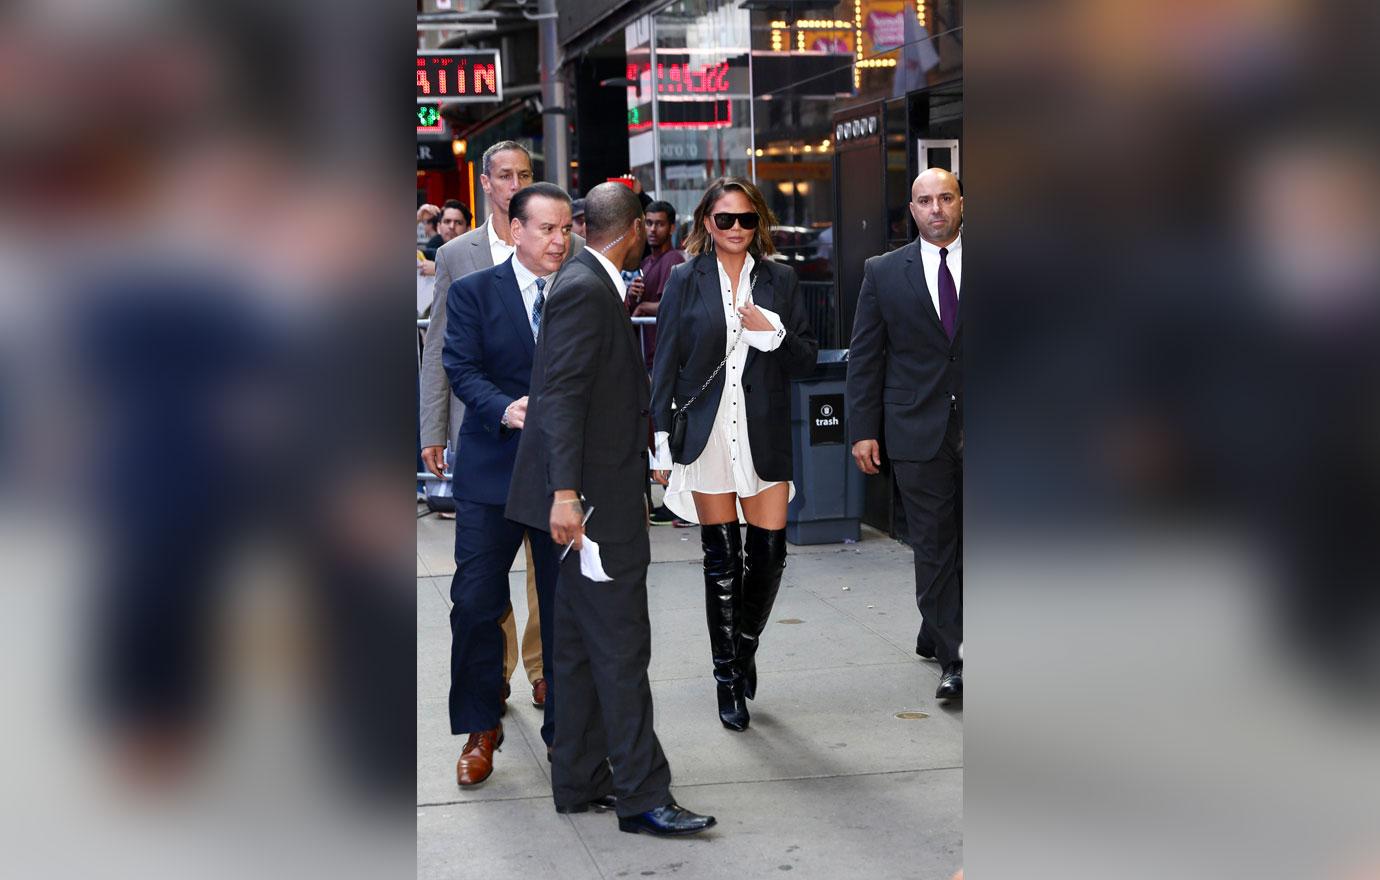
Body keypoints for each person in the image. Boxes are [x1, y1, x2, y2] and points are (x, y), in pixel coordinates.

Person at [506, 182, 716, 837]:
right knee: (622, 648)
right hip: (594, 507)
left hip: (586, 499)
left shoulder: (582, 284)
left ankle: (578, 778)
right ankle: (642, 794)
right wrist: (566, 493)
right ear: (631, 234)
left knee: (574, 647)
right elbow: (562, 397)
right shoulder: (583, 290)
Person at [420, 142, 586, 744]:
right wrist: (501, 408)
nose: (559, 240)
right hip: (491, 469)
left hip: (561, 475)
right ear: (515, 229)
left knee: (567, 609)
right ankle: (479, 726)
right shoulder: (474, 289)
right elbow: (458, 366)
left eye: (567, 230)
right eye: (547, 229)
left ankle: (568, 735)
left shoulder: (583, 288)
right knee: (474, 602)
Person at [649, 177, 818, 731]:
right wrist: (659, 442)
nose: (738, 229)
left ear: (759, 222)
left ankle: (743, 648)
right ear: (706, 223)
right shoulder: (682, 278)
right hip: (706, 431)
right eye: (726, 219)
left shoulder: (782, 279)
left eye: (747, 219)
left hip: (762, 431)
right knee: (721, 559)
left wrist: (774, 334)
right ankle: (727, 679)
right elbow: (666, 362)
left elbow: (807, 362)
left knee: (768, 555)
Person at [845, 167, 964, 702]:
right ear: (911, 211)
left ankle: (936, 625)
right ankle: (956, 655)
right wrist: (863, 430)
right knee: (935, 543)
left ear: (962, 202)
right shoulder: (884, 272)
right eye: (924, 200)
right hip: (916, 427)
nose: (935, 208)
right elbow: (866, 357)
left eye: (945, 197)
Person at [633, 201, 690, 527]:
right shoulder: (647, 261)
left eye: (659, 224)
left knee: (669, 429)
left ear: (671, 227)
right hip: (649, 356)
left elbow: (675, 303)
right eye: (649, 223)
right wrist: (635, 297)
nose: (653, 229)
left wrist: (646, 306)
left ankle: (678, 500)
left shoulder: (674, 261)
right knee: (657, 430)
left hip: (666, 358)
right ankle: (670, 499)